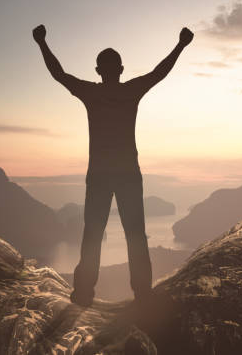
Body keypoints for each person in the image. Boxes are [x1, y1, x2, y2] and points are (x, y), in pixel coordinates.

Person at [33, 24, 194, 307]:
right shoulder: (131, 91)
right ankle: (142, 293)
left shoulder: (91, 93)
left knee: (93, 232)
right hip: (128, 174)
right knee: (135, 234)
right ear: (121, 69)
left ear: (98, 71)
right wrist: (180, 45)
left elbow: (59, 74)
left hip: (99, 175)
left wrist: (42, 43)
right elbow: (159, 73)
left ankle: (83, 293)